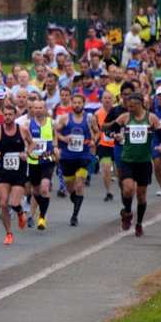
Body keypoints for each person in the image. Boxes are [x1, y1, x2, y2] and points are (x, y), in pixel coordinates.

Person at [106, 93, 161, 237]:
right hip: (128, 160)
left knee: (141, 196)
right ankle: (127, 213)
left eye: (132, 106)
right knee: (127, 189)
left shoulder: (151, 118)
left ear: (140, 104)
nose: (129, 108)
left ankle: (139, 224)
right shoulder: (125, 117)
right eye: (128, 106)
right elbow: (109, 130)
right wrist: (116, 135)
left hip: (144, 161)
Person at [55, 93, 98, 226]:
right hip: (67, 157)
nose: (77, 105)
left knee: (79, 184)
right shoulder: (65, 118)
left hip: (83, 157)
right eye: (75, 103)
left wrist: (93, 141)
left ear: (83, 104)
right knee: (70, 188)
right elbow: (55, 132)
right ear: (72, 104)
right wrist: (63, 139)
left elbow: (97, 132)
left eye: (80, 103)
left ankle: (74, 217)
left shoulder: (89, 119)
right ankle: (76, 198)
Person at [0, 103, 29, 243]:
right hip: (4, 171)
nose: (7, 117)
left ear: (15, 115)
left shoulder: (23, 130)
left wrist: (26, 153)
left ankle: (20, 212)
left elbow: (31, 144)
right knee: (3, 203)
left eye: (10, 114)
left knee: (14, 204)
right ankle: (9, 234)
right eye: (5, 114)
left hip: (19, 171)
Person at [20, 99, 57, 230]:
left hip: (47, 160)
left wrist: (56, 147)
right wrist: (26, 149)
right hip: (33, 161)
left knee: (45, 189)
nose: (38, 110)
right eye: (35, 108)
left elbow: (55, 136)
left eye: (40, 108)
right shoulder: (28, 124)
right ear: (32, 109)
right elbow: (24, 140)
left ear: (45, 109)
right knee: (35, 190)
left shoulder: (51, 123)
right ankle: (42, 209)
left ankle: (42, 216)